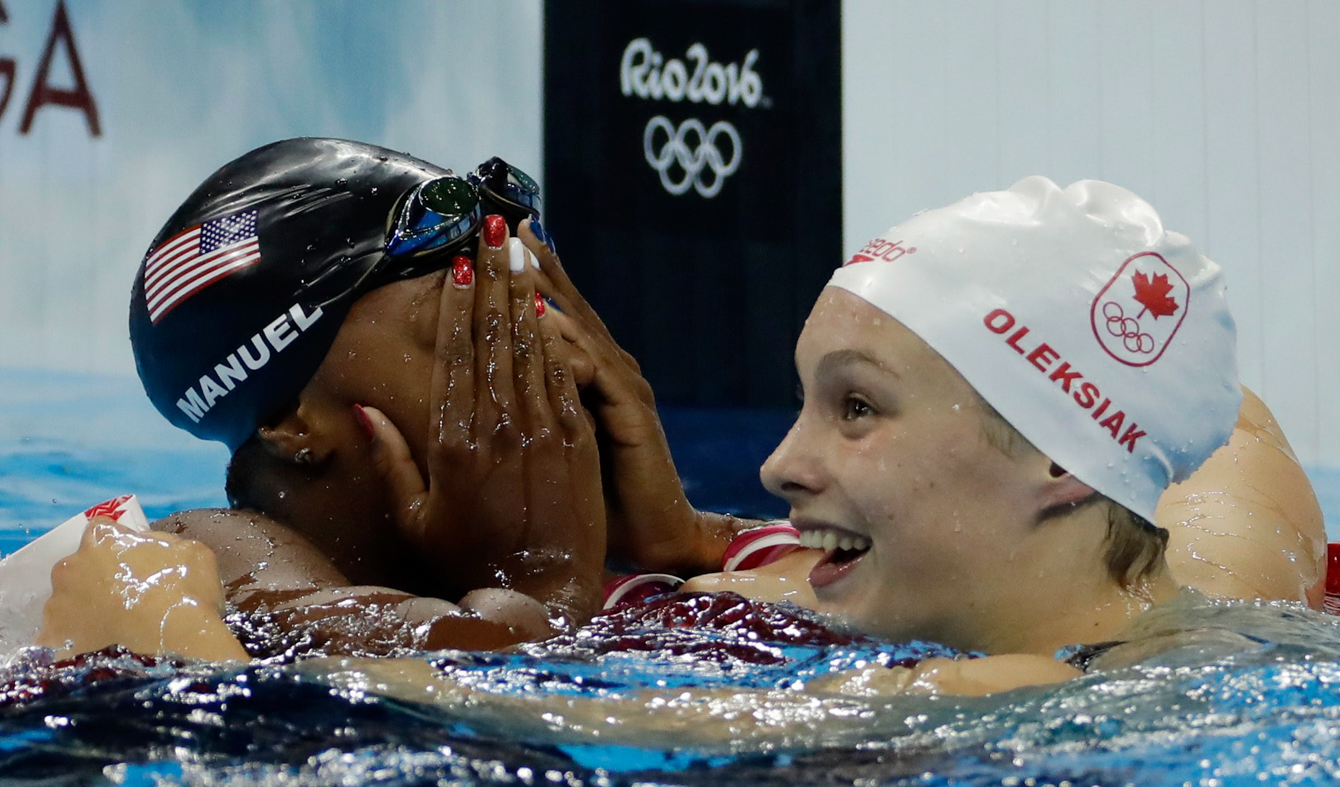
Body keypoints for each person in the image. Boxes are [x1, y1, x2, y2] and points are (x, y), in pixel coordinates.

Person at [43, 177, 1319, 694]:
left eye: (540, 314)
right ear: (293, 421)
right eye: (474, 340)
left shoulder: (934, 666)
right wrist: (673, 544)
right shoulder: (796, 572)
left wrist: (572, 585)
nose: (540, 367)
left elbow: (507, 725)